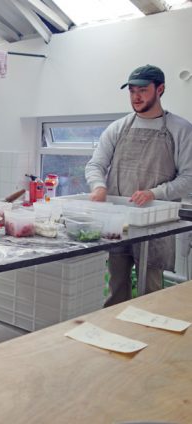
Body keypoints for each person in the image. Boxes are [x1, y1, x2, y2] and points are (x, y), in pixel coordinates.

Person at [85, 64, 192, 306]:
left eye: (143, 90)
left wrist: (154, 193)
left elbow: (189, 179)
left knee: (151, 294)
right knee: (116, 290)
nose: (136, 97)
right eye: (132, 91)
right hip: (119, 223)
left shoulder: (181, 130)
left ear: (160, 89)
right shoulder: (118, 128)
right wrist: (98, 186)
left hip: (156, 224)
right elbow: (95, 165)